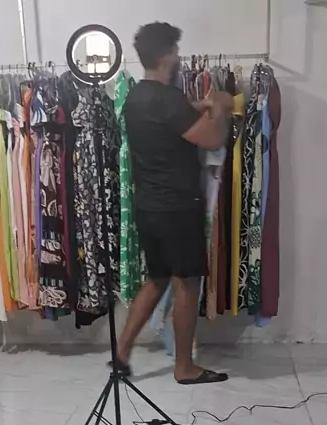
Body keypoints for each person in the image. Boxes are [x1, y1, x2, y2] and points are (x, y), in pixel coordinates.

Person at [116, 21, 231, 384]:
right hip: (178, 208)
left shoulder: (136, 98)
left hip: (149, 207)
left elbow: (170, 119)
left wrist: (199, 105)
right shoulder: (168, 99)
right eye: (176, 50)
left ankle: (121, 354)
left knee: (157, 279)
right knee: (186, 284)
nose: (179, 56)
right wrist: (221, 108)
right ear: (167, 55)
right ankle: (184, 367)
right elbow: (212, 138)